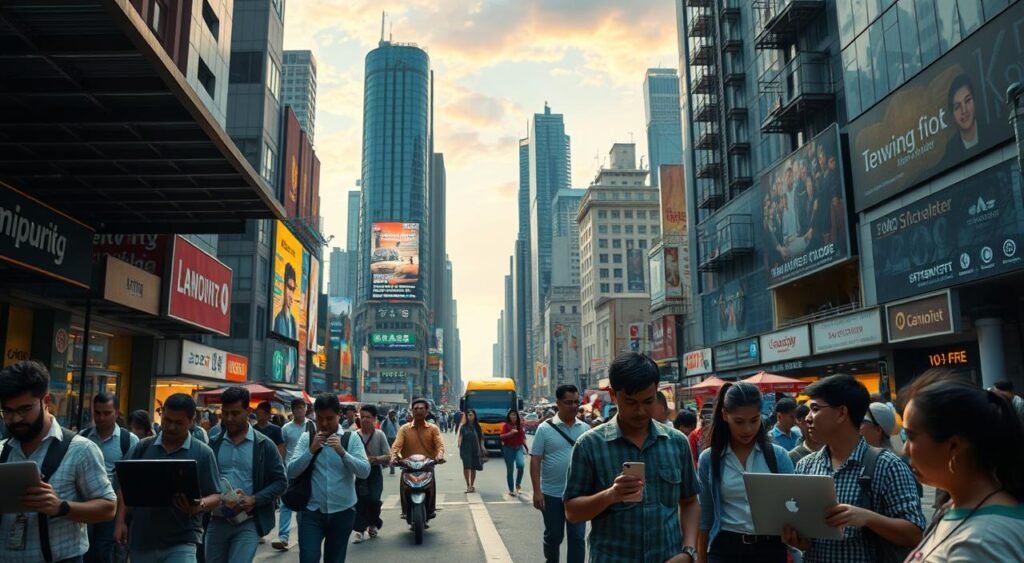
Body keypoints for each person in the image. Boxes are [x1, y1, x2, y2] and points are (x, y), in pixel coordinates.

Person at [564, 353, 700, 563]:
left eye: (648, 401)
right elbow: (572, 512)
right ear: (613, 395)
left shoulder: (677, 443)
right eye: (630, 402)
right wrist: (610, 495)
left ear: (657, 391)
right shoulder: (589, 446)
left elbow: (690, 501)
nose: (640, 411)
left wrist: (689, 551)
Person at [784, 374, 926, 563]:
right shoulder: (805, 465)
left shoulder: (887, 465)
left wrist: (867, 518)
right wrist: (801, 541)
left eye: (815, 409)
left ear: (842, 413)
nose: (807, 418)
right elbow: (811, 540)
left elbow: (914, 533)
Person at [0, 361, 117, 563]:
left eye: (24, 409)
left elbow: (108, 507)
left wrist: (61, 507)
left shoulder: (81, 449)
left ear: (46, 401)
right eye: (7, 412)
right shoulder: (2, 449)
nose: (16, 419)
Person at [900, 377, 1024, 561]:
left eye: (911, 437)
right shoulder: (958, 507)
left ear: (954, 446)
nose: (905, 449)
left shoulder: (981, 543)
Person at [116, 393, 222, 563]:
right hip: (142, 540)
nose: (171, 427)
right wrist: (120, 522)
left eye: (178, 423)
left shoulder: (203, 452)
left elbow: (216, 496)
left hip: (183, 541)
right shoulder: (142, 447)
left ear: (191, 420)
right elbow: (125, 488)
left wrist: (198, 505)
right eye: (167, 420)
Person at [697, 382, 793, 563]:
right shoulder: (709, 459)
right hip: (725, 549)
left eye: (754, 420)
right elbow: (706, 516)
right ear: (725, 415)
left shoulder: (778, 456)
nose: (747, 429)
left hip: (769, 548)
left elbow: (795, 507)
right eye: (739, 421)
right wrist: (701, 557)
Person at [205, 386, 287, 563]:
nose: (229, 419)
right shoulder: (212, 444)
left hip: (248, 523)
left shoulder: (265, 446)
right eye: (225, 413)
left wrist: (254, 499)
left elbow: (281, 482)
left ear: (248, 411)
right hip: (216, 521)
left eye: (235, 413)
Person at [287, 393, 370, 563]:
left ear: (339, 415)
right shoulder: (307, 437)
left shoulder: (350, 438)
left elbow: (364, 471)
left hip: (342, 511)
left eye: (330, 418)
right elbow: (291, 471)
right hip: (311, 512)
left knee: (335, 559)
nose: (324, 424)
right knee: (308, 558)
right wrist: (311, 450)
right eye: (320, 418)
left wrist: (342, 452)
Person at [530, 384, 589, 563]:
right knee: (554, 536)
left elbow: (590, 463)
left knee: (578, 538)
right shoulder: (544, 429)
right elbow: (535, 460)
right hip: (551, 494)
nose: (573, 406)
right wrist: (537, 491)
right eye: (568, 402)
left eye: (576, 402)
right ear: (558, 403)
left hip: (578, 495)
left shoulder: (585, 429)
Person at [80, 393, 139, 563]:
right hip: (85, 506)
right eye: (97, 412)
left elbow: (129, 484)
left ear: (117, 413)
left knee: (105, 552)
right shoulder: (82, 438)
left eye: (107, 413)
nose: (101, 417)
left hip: (113, 508)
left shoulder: (129, 441)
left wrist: (122, 521)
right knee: (85, 551)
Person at [389, 398, 446, 519]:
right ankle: (405, 510)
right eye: (415, 409)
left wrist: (439, 455)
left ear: (426, 411)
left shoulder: (433, 428)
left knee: (431, 488)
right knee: (404, 488)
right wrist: (394, 457)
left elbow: (439, 445)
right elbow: (397, 445)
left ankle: (430, 510)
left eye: (421, 409)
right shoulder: (404, 429)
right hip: (408, 467)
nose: (418, 411)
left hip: (427, 466)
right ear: (411, 411)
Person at [272, 399, 315, 552]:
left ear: (305, 409)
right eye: (296, 408)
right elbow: (283, 448)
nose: (299, 411)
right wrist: (282, 467)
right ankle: (283, 537)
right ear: (292, 410)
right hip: (290, 469)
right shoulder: (286, 428)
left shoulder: (312, 426)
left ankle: (305, 535)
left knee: (304, 503)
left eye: (301, 408)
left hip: (307, 470)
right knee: (286, 503)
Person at [352, 405, 390, 544]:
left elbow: (388, 456)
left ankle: (373, 524)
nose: (365, 420)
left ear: (374, 419)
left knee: (374, 499)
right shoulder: (354, 435)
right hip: (359, 473)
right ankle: (359, 530)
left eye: (368, 417)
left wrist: (376, 459)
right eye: (362, 417)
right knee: (359, 501)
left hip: (374, 472)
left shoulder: (380, 435)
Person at [499, 408, 528, 496]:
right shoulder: (505, 426)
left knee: (521, 465)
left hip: (518, 448)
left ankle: (518, 483)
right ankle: (511, 489)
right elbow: (501, 437)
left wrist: (526, 447)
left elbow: (523, 437)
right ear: (509, 416)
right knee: (510, 470)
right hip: (508, 448)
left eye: (515, 415)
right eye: (512, 415)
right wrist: (510, 433)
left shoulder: (520, 425)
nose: (513, 416)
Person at [458, 409, 485, 493]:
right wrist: (459, 443)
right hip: (465, 449)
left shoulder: (477, 426)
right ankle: (468, 485)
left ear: (474, 416)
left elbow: (481, 438)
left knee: (473, 467)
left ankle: (472, 485)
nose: (469, 416)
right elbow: (460, 436)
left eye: (471, 414)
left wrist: (482, 447)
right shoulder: (463, 427)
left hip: (475, 449)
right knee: (466, 467)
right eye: (468, 415)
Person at [274, 263, 298, 338]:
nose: (291, 295)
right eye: (289, 288)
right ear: (284, 287)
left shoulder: (293, 321)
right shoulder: (278, 319)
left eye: (293, 290)